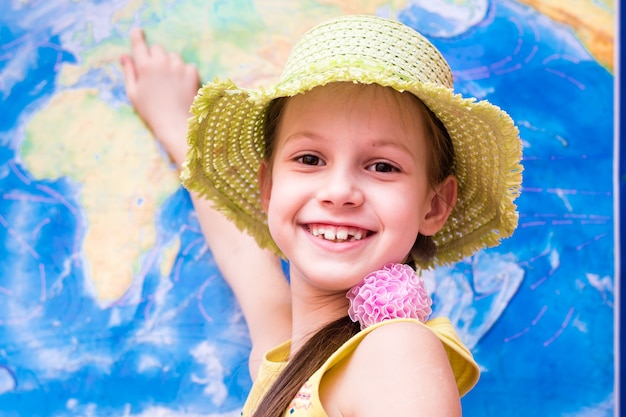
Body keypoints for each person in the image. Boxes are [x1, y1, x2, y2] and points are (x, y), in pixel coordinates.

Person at [121, 14, 523, 417]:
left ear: (434, 205)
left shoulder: (396, 353)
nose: (339, 192)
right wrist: (175, 123)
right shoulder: (283, 362)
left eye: (383, 166)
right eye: (310, 159)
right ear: (268, 187)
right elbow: (242, 255)